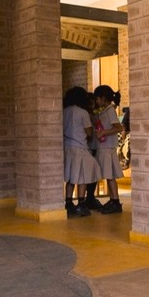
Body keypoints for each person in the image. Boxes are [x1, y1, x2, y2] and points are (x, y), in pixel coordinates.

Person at [63, 86, 102, 217]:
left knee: (70, 177)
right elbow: (89, 132)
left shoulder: (64, 111)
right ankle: (81, 203)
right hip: (80, 147)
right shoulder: (82, 113)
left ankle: (68, 203)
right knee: (83, 176)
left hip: (67, 146)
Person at [91, 85, 125, 213]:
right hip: (104, 147)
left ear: (103, 98)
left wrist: (104, 132)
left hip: (108, 147)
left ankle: (115, 201)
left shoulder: (110, 111)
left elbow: (118, 127)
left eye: (98, 99)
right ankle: (113, 199)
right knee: (108, 176)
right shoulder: (104, 110)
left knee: (110, 176)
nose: (97, 102)